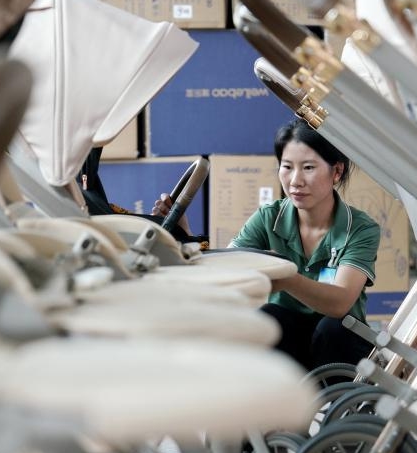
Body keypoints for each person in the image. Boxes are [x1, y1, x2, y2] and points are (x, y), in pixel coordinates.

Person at [154, 118, 380, 371]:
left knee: (334, 326)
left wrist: (284, 277)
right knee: (269, 317)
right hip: (289, 346)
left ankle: (337, 407)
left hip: (341, 349)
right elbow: (227, 267)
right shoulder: (268, 218)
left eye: (308, 167)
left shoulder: (360, 228)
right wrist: (184, 233)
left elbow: (339, 303)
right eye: (287, 167)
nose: (295, 180)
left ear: (336, 172)